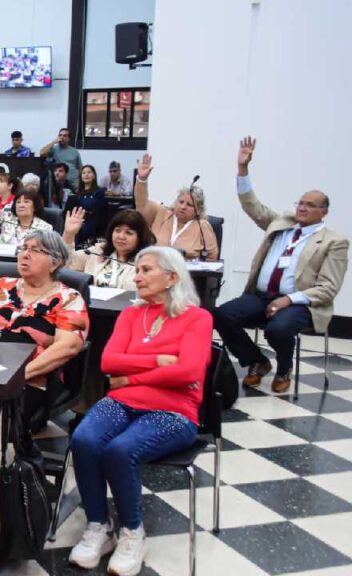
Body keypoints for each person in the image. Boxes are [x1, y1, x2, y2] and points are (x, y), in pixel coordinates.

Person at [68, 246, 211, 575]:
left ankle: (132, 532)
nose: (137, 277)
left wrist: (131, 376)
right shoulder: (131, 315)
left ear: (171, 277)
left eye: (146, 270)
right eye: (137, 270)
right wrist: (159, 361)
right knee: (84, 440)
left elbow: (188, 372)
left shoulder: (197, 318)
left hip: (174, 410)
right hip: (122, 401)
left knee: (121, 451)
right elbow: (108, 362)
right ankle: (98, 526)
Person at [0, 232, 89, 529]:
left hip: (28, 381)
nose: (24, 254)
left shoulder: (68, 298)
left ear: (56, 262)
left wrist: (15, 377)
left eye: (35, 250)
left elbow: (68, 347)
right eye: (23, 248)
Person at [213, 136, 349, 393]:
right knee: (221, 315)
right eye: (301, 203)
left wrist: (288, 300)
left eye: (310, 205)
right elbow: (252, 205)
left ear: (324, 212)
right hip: (261, 296)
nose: (302, 208)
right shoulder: (282, 223)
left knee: (278, 329)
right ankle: (257, 361)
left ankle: (284, 368)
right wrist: (243, 168)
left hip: (300, 303)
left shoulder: (334, 242)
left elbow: (328, 289)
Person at [134, 154, 219, 261]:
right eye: (181, 202)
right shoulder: (161, 213)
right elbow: (141, 204)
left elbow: (212, 257)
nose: (183, 207)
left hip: (186, 269)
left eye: (189, 205)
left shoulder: (202, 226)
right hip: (155, 265)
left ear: (198, 210)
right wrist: (142, 180)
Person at [63, 208, 154, 290]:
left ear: (140, 237)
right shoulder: (97, 251)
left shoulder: (147, 262)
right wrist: (69, 234)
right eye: (117, 230)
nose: (121, 236)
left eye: (128, 233)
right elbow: (66, 264)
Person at [64, 164, 108, 248]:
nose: (86, 174)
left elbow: (101, 212)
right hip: (77, 223)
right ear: (81, 177)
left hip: (92, 224)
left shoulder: (99, 192)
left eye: (89, 172)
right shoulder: (76, 193)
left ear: (94, 176)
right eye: (83, 173)